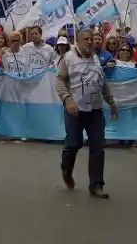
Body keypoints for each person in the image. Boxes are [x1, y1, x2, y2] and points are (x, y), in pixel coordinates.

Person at [54, 28, 118, 198]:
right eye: (86, 39)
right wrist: (67, 99)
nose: (90, 42)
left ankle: (96, 184)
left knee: (98, 146)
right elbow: (59, 80)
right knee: (73, 144)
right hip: (75, 110)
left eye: (92, 39)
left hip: (95, 111)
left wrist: (111, 102)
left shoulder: (96, 58)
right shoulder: (68, 58)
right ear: (79, 41)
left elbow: (102, 82)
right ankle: (66, 170)